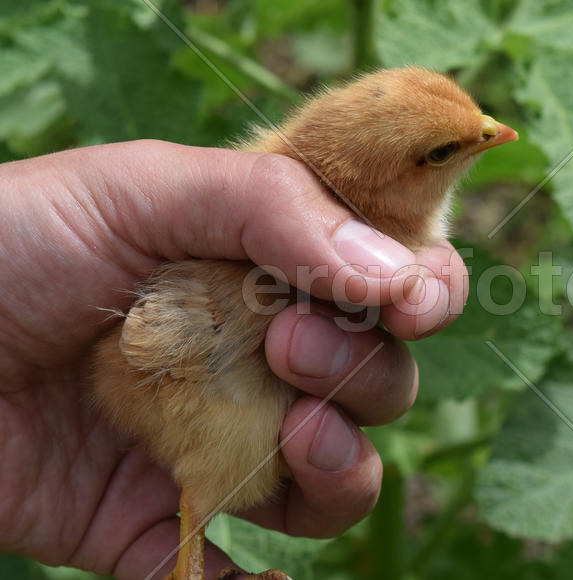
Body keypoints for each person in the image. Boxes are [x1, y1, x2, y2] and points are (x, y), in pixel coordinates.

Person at [0, 140, 467, 578]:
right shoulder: (304, 215)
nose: (494, 132)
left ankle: (191, 559)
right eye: (445, 151)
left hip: (161, 357)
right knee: (260, 424)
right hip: (188, 360)